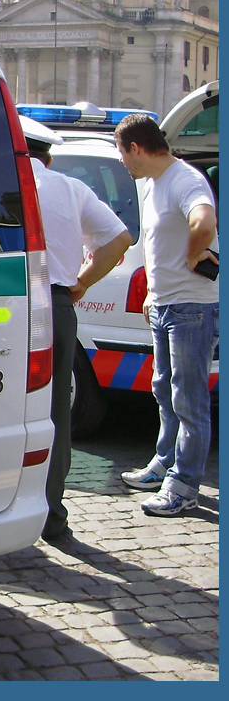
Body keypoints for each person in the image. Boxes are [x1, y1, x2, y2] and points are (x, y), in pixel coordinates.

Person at [22, 117, 131, 541]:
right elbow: (119, 239)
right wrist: (82, 281)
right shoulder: (70, 187)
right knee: (54, 412)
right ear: (48, 157)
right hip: (56, 303)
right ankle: (52, 517)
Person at [114, 113, 219, 516]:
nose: (123, 163)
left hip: (191, 307)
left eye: (122, 154)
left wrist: (194, 254)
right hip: (166, 304)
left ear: (135, 148)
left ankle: (184, 485)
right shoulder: (152, 184)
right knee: (164, 389)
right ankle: (164, 463)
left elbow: (203, 221)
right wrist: (153, 294)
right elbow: (160, 241)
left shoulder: (185, 180)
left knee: (188, 399)